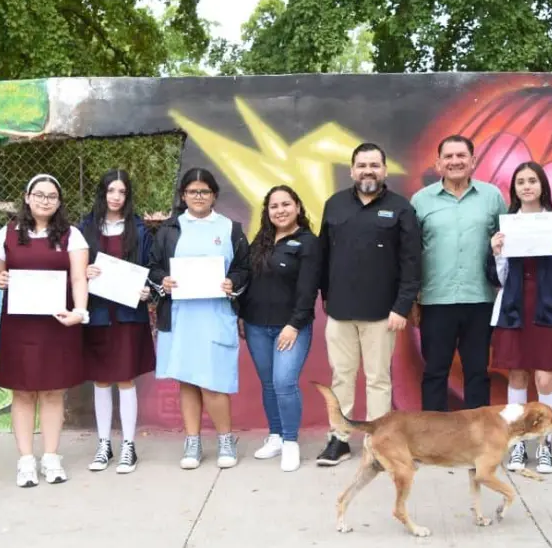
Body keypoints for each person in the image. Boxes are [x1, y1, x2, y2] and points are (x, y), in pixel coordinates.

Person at [315, 143, 422, 466]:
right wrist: (325, 295)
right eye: (362, 165)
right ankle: (339, 439)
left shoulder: (401, 208)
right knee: (342, 377)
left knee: (378, 379)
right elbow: (323, 255)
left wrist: (402, 306)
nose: (368, 171)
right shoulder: (334, 205)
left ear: (385, 170)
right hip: (340, 312)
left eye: (374, 165)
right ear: (351, 170)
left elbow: (412, 262)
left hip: (382, 314)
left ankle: (379, 443)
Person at [0, 174, 89, 488]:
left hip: (57, 325)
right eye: (39, 194)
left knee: (52, 390)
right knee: (22, 391)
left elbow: (78, 279)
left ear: (59, 202)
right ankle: (25, 460)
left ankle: (50, 456)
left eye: (52, 196)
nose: (45, 200)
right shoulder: (6, 234)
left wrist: (80, 312)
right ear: (27, 197)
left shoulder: (72, 236)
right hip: (20, 324)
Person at [149, 168, 252, 470]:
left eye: (204, 191)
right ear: (183, 196)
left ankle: (225, 439)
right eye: (192, 191)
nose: (198, 196)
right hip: (181, 317)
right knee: (188, 381)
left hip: (215, 314)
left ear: (214, 195)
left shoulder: (230, 228)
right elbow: (154, 267)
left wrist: (233, 283)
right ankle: (192, 441)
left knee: (214, 382)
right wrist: (163, 281)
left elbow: (244, 268)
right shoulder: (169, 229)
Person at [487, 162, 552, 474]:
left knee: (545, 378)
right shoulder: (506, 225)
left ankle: (545, 445)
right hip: (514, 305)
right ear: (514, 189)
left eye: (532, 181)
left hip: (547, 306)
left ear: (542, 187)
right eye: (521, 182)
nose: (527, 186)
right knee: (517, 376)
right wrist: (496, 251)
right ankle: (517, 444)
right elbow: (495, 277)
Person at [410, 135, 507, 412]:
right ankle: (433, 438)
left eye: (461, 156)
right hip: (435, 300)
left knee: (477, 372)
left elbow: (507, 242)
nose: (455, 162)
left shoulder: (492, 197)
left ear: (473, 161)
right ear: (438, 163)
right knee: (435, 372)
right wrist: (413, 300)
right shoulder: (421, 201)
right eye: (449, 157)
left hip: (480, 299)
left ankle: (478, 440)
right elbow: (411, 252)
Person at [77, 169, 156, 475]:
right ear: (103, 192)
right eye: (111, 190)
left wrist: (148, 289)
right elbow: (74, 267)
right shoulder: (86, 228)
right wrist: (85, 272)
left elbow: (149, 268)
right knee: (100, 379)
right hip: (97, 314)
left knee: (125, 378)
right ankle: (103, 444)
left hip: (127, 314)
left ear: (127, 196)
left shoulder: (139, 229)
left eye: (122, 192)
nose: (116, 197)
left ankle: (128, 446)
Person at [240, 185, 321, 472]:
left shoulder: (309, 242)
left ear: (298, 207)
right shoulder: (260, 241)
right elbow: (247, 281)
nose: (280, 210)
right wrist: (240, 312)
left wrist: (294, 325)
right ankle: (275, 436)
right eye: (274, 206)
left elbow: (308, 290)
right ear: (268, 212)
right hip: (256, 326)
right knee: (269, 383)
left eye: (286, 204)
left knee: (285, 383)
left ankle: (290, 442)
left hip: (291, 328)